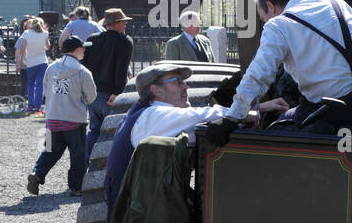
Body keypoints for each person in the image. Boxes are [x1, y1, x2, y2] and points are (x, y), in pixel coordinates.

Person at [209, 0, 352, 142]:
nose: (265, 23)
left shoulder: (278, 24)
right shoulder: (338, 4)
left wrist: (232, 117)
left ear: (270, 7)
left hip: (342, 110)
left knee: (277, 126)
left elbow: (258, 74)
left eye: (263, 18)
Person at [103, 62, 275, 209]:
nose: (186, 87)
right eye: (178, 82)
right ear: (157, 91)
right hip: (134, 222)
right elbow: (200, 116)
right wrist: (251, 114)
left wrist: (257, 109)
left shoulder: (143, 113)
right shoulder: (154, 114)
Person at [27, 36, 96, 197]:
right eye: (83, 48)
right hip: (74, 120)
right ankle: (76, 186)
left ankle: (37, 174)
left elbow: (45, 90)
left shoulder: (51, 68)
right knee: (78, 155)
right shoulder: (82, 71)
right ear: (77, 49)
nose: (84, 50)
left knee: (49, 150)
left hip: (52, 118)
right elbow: (91, 97)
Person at [82, 8, 134, 158]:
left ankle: (88, 161)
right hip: (110, 94)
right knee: (114, 132)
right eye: (123, 22)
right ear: (117, 23)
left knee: (94, 130)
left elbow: (84, 66)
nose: (125, 25)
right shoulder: (125, 41)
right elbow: (121, 69)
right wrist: (117, 93)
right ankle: (107, 164)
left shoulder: (92, 39)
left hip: (92, 92)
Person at [15, 16, 50, 114]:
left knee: (31, 84)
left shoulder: (26, 33)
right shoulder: (45, 33)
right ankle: (38, 106)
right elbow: (47, 47)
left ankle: (30, 105)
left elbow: (23, 48)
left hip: (31, 62)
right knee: (40, 85)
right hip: (42, 61)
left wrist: (22, 60)